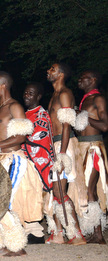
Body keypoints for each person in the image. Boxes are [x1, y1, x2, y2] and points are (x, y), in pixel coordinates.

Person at [0, 72, 43, 256]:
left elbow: (21, 137)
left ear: (3, 86)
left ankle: (17, 246)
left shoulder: (14, 107)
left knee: (6, 201)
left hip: (12, 159)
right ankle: (0, 241)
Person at [46, 62, 87, 245]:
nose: (49, 71)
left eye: (53, 69)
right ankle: (59, 233)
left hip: (64, 143)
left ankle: (76, 234)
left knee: (60, 189)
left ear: (61, 74)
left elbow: (66, 125)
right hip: (55, 143)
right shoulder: (54, 95)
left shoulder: (64, 94)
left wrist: (62, 153)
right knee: (55, 190)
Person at [75, 70, 108, 244]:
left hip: (93, 148)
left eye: (84, 78)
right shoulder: (85, 100)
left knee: (90, 189)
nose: (80, 80)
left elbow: (104, 126)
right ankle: (96, 231)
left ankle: (98, 234)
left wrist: (84, 117)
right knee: (89, 189)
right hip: (82, 146)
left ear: (93, 80)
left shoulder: (98, 99)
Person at [21, 82, 55, 243]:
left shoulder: (41, 115)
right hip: (26, 159)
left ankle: (36, 233)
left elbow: (39, 138)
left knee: (33, 194)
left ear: (38, 96)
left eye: (31, 93)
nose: (27, 95)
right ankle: (29, 229)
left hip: (37, 161)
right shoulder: (25, 114)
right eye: (26, 92)